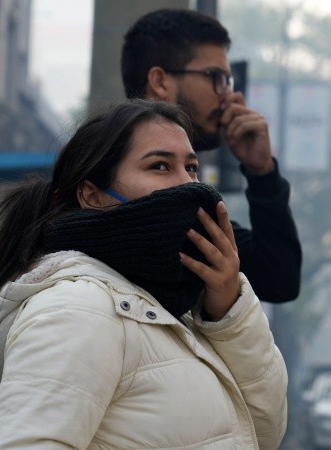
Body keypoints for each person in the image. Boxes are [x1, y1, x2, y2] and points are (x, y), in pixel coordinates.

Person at [0, 100, 288, 449]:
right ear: (92, 195)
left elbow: (263, 430)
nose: (186, 183)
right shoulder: (78, 306)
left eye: (192, 167)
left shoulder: (175, 307)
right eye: (160, 166)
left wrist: (229, 312)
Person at [121, 9, 302, 303]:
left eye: (191, 168)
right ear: (160, 81)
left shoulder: (194, 218)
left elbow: (279, 279)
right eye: (215, 77)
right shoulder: (99, 187)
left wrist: (262, 172)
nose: (228, 97)